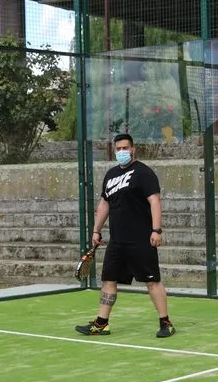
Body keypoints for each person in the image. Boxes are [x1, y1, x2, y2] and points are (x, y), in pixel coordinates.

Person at [75, 133, 175, 338]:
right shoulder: (110, 175)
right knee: (108, 281)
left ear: (133, 149)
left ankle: (166, 323)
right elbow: (104, 203)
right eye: (118, 149)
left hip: (141, 240)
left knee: (152, 281)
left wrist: (157, 230)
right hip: (117, 242)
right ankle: (101, 323)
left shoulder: (143, 173)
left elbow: (155, 201)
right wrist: (96, 230)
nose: (121, 152)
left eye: (125, 148)